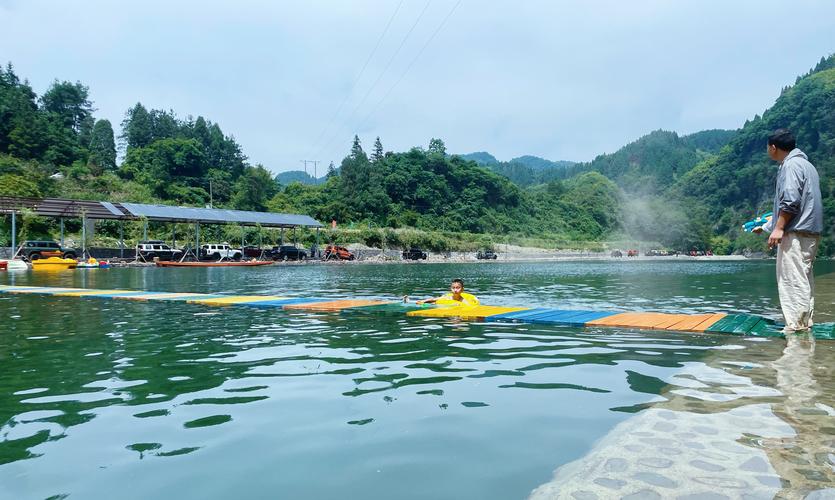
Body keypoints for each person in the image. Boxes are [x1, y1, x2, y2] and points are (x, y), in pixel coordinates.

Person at [754, 129, 823, 332]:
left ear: (773, 147)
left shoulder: (790, 166)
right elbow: (797, 204)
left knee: (792, 279)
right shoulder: (806, 165)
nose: (768, 151)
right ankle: (804, 322)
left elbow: (791, 201)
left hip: (795, 233)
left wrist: (778, 228)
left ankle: (795, 327)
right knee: (803, 277)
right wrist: (768, 226)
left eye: (768, 147)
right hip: (810, 232)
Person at [415, 278, 479, 306]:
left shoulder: (464, 301)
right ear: (451, 289)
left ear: (462, 289)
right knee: (433, 303)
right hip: (444, 307)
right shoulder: (447, 297)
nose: (455, 290)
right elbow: (433, 299)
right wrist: (423, 301)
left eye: (458, 288)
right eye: (453, 288)